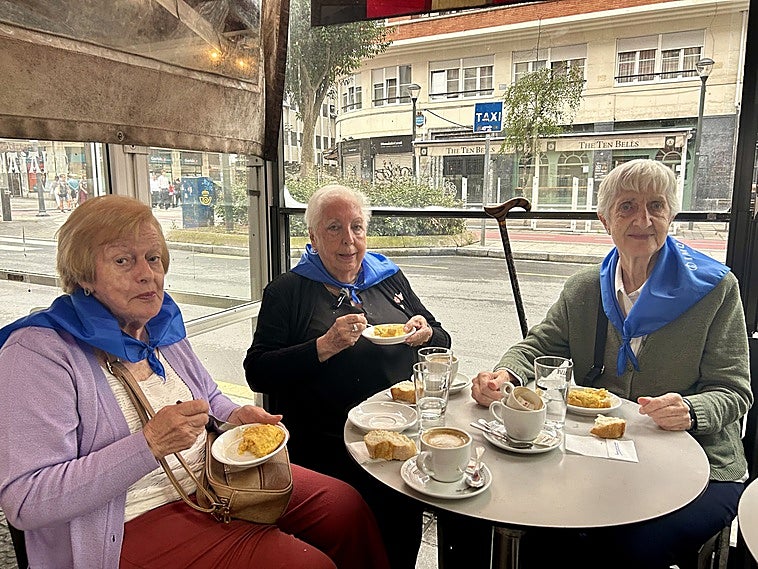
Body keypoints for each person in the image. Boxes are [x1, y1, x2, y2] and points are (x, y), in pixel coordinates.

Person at [0, 195, 390, 569]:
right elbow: (27, 500)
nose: (146, 273)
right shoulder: (40, 352)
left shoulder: (158, 326)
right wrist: (148, 444)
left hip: (211, 478)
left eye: (153, 258)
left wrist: (235, 416)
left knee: (345, 507)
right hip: (129, 519)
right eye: (123, 260)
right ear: (84, 273)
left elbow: (210, 398)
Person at [467, 159, 752, 568]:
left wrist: (691, 410)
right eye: (627, 207)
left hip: (699, 464)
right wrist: (505, 374)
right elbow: (537, 346)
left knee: (620, 548)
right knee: (523, 518)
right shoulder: (585, 289)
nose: (643, 219)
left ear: (671, 215)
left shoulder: (714, 290)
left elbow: (735, 391)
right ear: (605, 220)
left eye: (656, 206)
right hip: (598, 454)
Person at [244, 183, 451, 569]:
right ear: (312, 235)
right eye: (334, 228)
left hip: (397, 437)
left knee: (400, 536)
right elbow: (257, 371)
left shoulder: (388, 278)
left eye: (357, 227)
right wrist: (322, 346)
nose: (349, 241)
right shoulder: (288, 292)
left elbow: (441, 338)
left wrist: (424, 333)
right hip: (328, 447)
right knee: (351, 547)